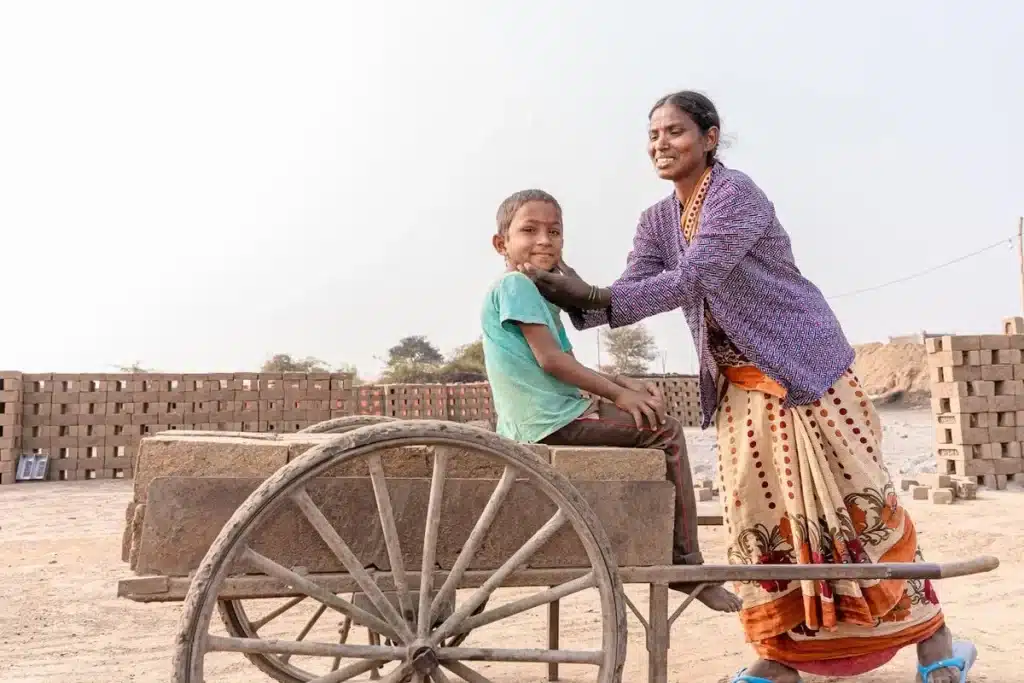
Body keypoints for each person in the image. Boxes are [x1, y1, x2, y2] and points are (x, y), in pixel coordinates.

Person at [518, 92, 976, 683]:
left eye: (675, 131)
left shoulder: (738, 195)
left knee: (859, 512)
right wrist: (573, 295)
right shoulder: (656, 220)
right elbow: (636, 286)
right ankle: (781, 657)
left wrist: (598, 299)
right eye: (652, 134)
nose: (660, 143)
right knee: (757, 517)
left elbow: (696, 275)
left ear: (710, 138)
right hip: (738, 387)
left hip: (807, 374)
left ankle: (936, 644)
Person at [480, 188, 742, 613]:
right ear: (501, 243)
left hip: (548, 415)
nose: (544, 241)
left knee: (649, 411)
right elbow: (552, 363)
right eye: (529, 231)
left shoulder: (535, 292)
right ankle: (687, 565)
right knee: (668, 433)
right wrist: (620, 393)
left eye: (554, 232)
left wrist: (625, 383)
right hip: (549, 421)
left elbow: (565, 361)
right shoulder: (515, 285)